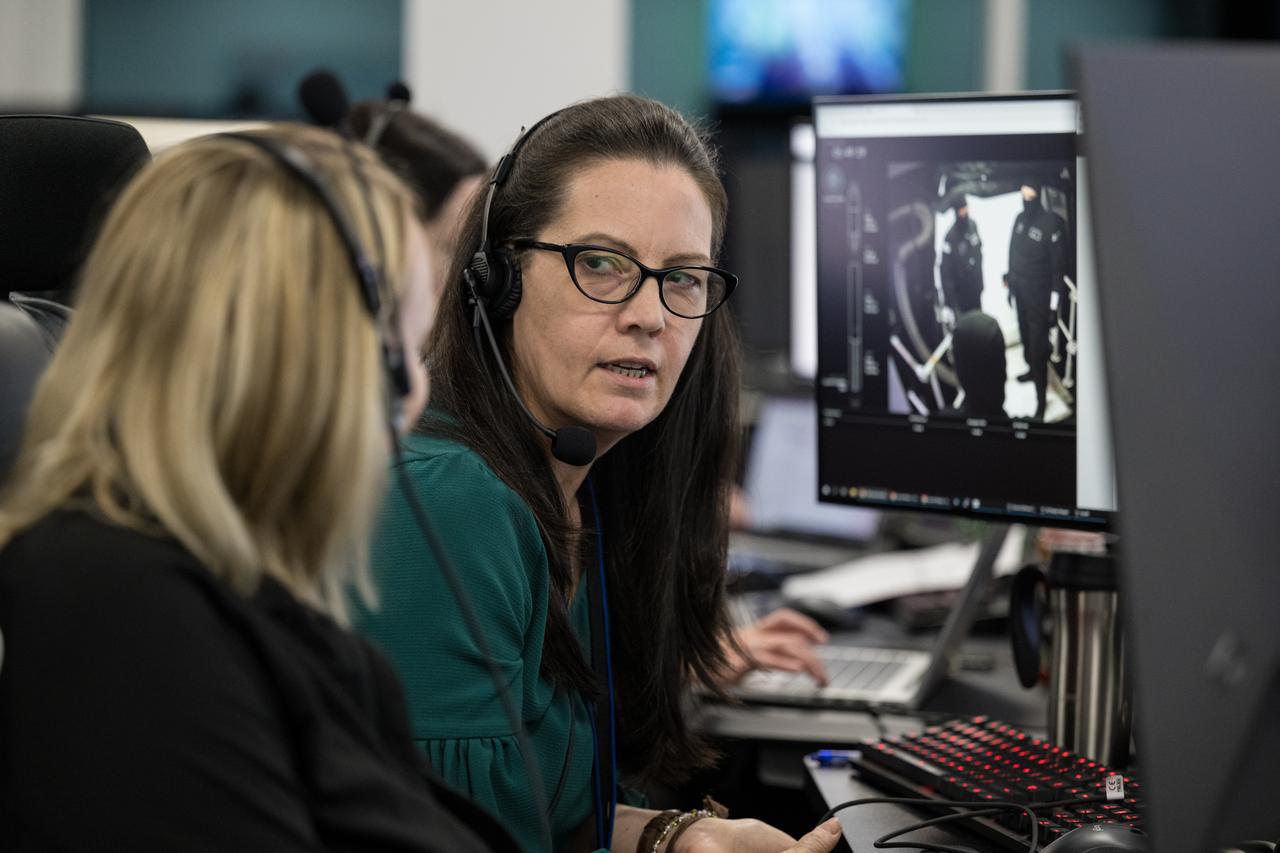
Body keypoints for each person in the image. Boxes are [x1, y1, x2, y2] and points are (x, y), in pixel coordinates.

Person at [0, 124, 514, 851]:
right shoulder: (119, 607)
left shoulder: (248, 600)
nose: (412, 396)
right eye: (407, 346)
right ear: (329, 366)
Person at [355, 95, 841, 853]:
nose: (650, 314)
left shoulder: (583, 486)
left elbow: (540, 817)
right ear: (497, 278)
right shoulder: (446, 498)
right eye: (602, 264)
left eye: (682, 278)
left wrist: (677, 839)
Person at [1006, 182, 1067, 421]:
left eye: (1029, 193)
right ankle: (1031, 370)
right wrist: (1010, 283)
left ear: (1038, 194)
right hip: (1020, 293)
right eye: (1022, 192)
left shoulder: (1051, 223)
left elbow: (1057, 270)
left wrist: (1053, 306)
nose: (1025, 197)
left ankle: (1041, 401)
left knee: (1038, 347)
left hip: (1039, 299)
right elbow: (1012, 252)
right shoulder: (1020, 219)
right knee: (1024, 337)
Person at [939, 196, 984, 316]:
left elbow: (979, 254)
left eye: (966, 208)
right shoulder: (950, 237)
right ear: (956, 211)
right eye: (961, 210)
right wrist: (950, 300)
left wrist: (980, 283)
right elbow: (945, 270)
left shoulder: (973, 226)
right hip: (960, 295)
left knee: (978, 323)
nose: (965, 212)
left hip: (975, 289)